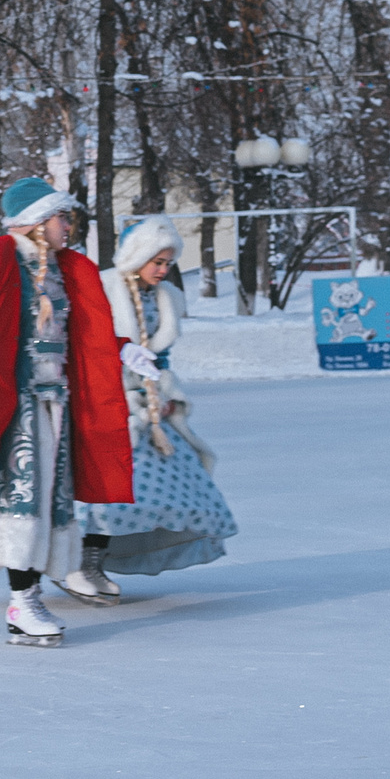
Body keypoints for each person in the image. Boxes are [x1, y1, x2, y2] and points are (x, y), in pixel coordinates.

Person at [0, 178, 148, 647]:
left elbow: (87, 337)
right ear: (36, 222)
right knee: (23, 503)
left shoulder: (69, 270)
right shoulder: (0, 262)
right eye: (62, 218)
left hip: (60, 404)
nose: (68, 226)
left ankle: (30, 597)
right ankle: (23, 603)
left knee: (49, 504)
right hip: (17, 407)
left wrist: (123, 350)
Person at [70, 216, 237, 598]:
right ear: (137, 256)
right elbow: (90, 350)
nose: (163, 270)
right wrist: (120, 396)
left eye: (168, 263)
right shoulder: (105, 288)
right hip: (106, 404)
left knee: (173, 489)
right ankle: (86, 561)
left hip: (149, 410)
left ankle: (103, 558)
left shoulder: (167, 299)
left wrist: (165, 398)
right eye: (156, 262)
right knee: (106, 488)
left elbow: (161, 361)